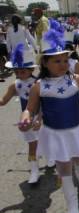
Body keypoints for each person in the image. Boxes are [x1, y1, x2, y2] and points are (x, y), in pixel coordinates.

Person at [19, 27, 79, 213]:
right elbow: (31, 108)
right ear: (44, 62)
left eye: (65, 60)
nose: (63, 64)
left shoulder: (76, 80)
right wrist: (27, 117)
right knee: (63, 168)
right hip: (55, 133)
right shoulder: (39, 86)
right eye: (56, 60)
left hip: (76, 129)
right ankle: (72, 202)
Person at [0, 44, 41, 184]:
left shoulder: (39, 83)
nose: (18, 75)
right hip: (27, 119)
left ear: (31, 69)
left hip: (42, 117)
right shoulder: (15, 85)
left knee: (47, 140)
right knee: (32, 144)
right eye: (16, 72)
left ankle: (52, 158)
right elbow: (3, 101)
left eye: (22, 71)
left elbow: (47, 104)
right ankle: (34, 169)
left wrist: (41, 118)